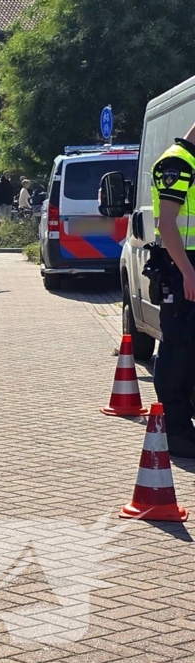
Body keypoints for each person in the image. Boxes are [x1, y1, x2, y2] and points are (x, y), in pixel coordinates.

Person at [151, 122, 195, 458]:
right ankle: (176, 435)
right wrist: (187, 272)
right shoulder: (178, 163)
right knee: (178, 351)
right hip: (183, 269)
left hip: (187, 267)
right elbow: (167, 224)